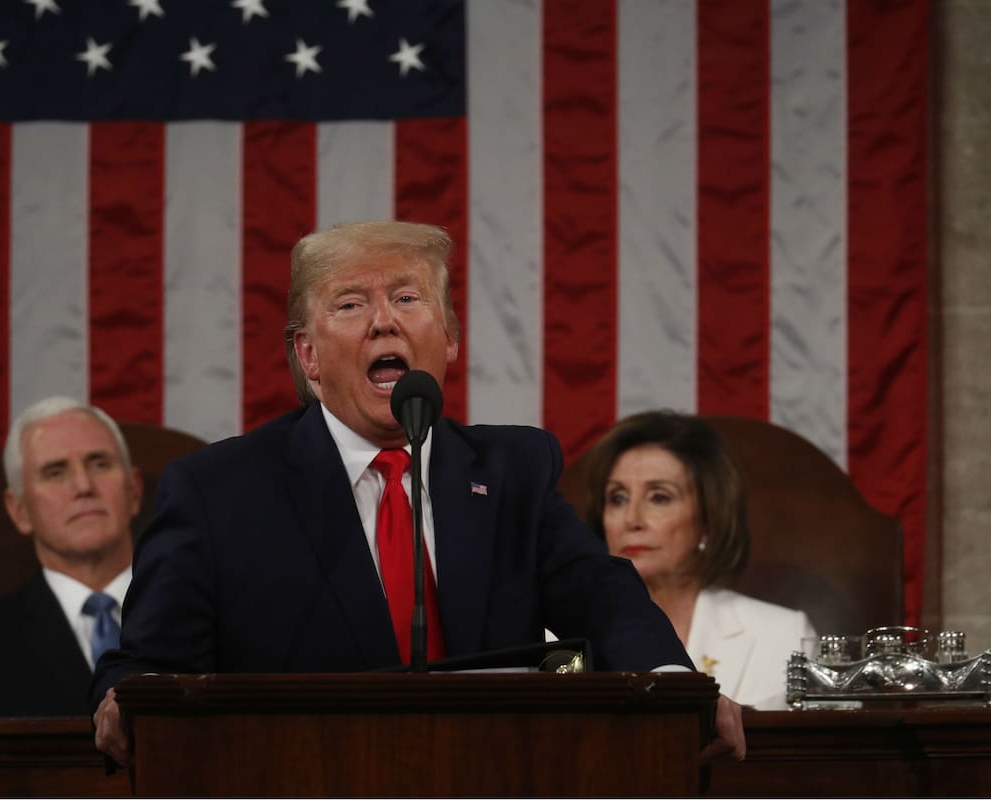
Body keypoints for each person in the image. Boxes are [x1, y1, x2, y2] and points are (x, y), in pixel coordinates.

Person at [91, 220, 745, 764]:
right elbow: (146, 667)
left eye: (408, 298)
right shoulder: (218, 492)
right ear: (308, 356)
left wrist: (674, 685)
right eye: (350, 304)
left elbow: (604, 598)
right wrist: (127, 699)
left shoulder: (514, 469)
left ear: (450, 338)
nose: (384, 322)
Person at [0, 396, 143, 716]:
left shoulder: (208, 616)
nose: (83, 486)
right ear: (19, 510)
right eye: (55, 472)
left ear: (134, 490)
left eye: (100, 464)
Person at [579, 410, 816, 709]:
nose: (631, 520)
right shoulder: (555, 640)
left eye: (659, 497)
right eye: (617, 498)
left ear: (707, 521)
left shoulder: (782, 636)